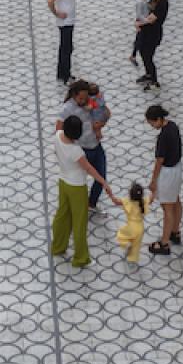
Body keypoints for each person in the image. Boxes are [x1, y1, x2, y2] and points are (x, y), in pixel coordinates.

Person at [50, 113, 115, 268]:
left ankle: (58, 246)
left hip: (63, 181)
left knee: (62, 215)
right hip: (77, 186)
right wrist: (103, 181)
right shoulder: (75, 150)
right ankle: (80, 258)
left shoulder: (58, 136)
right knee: (79, 222)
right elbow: (88, 168)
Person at [57, 80, 111, 209]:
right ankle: (75, 203)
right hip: (81, 149)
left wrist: (101, 124)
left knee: (101, 176)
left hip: (96, 146)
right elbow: (59, 129)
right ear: (74, 95)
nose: (83, 101)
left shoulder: (91, 102)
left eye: (85, 97)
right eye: (81, 98)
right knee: (78, 180)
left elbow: (106, 113)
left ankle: (91, 203)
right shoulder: (67, 108)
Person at [145, 105, 182, 256]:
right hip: (177, 168)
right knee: (176, 201)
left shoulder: (163, 137)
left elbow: (159, 160)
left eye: (152, 123)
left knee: (167, 208)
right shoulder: (173, 126)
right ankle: (175, 232)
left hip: (167, 173)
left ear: (159, 119)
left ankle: (164, 243)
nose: (152, 126)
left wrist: (154, 181)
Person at [48, 0, 78, 83]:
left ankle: (61, 73)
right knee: (67, 49)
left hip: (69, 21)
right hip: (65, 23)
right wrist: (56, 13)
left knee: (65, 48)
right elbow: (50, 0)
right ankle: (66, 75)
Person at [136, 0, 168, 91]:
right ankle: (148, 74)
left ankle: (154, 82)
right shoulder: (154, 0)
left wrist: (139, 23)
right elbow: (146, 11)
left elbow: (151, 19)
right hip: (146, 31)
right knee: (142, 52)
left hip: (153, 34)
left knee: (148, 56)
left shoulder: (162, 5)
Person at [116, 182, 148, 263]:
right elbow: (152, 198)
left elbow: (116, 201)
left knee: (121, 235)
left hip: (131, 226)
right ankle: (132, 259)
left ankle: (126, 244)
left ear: (130, 194)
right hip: (140, 228)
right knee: (136, 245)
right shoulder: (144, 201)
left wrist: (110, 194)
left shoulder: (127, 202)